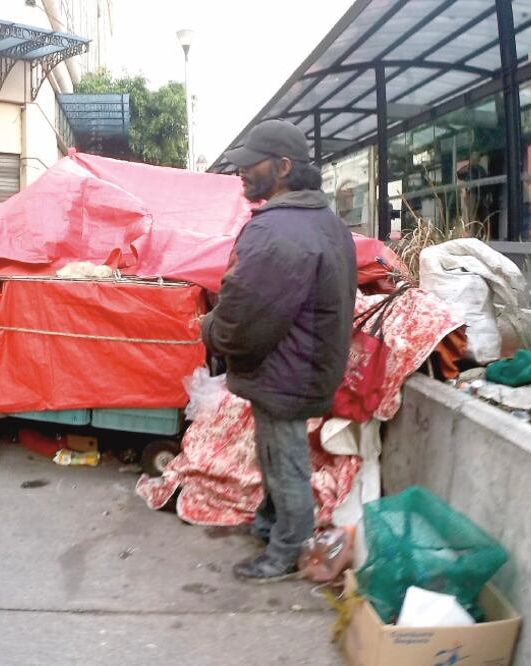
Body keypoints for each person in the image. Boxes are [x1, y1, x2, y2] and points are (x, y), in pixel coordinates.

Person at [203, 119, 357, 581]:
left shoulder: (278, 232)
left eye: (252, 165)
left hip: (286, 370)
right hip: (304, 365)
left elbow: (245, 319)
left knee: (284, 461)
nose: (243, 173)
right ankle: (272, 525)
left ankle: (286, 551)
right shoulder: (327, 223)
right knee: (275, 453)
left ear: (284, 167)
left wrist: (210, 328)